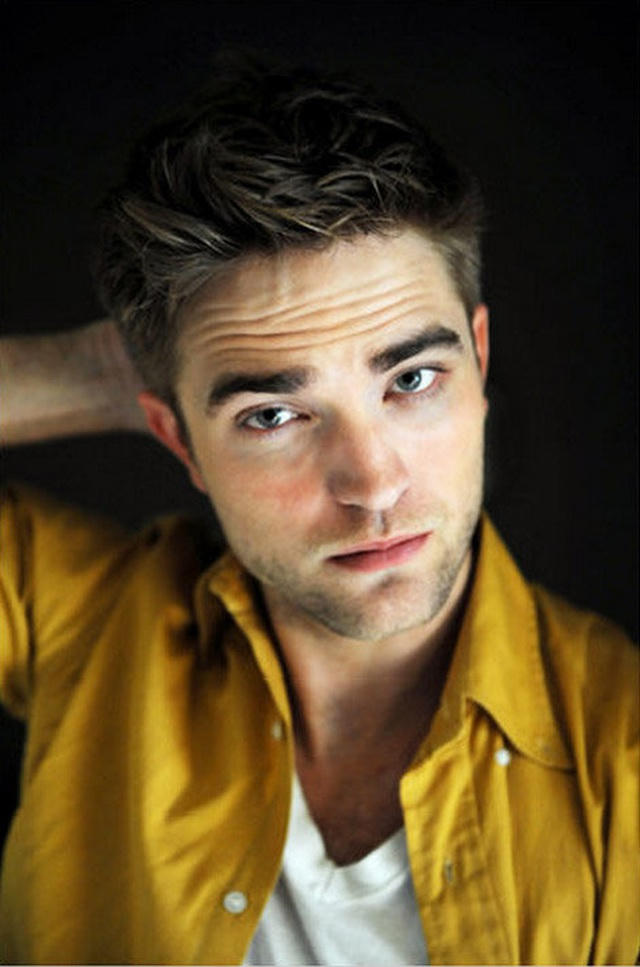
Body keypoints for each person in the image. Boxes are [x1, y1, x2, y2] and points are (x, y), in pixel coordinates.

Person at [0, 56, 637, 966]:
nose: (373, 485)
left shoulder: (623, 754)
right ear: (178, 441)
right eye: (272, 415)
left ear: (479, 362)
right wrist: (100, 371)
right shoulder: (87, 627)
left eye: (411, 379)